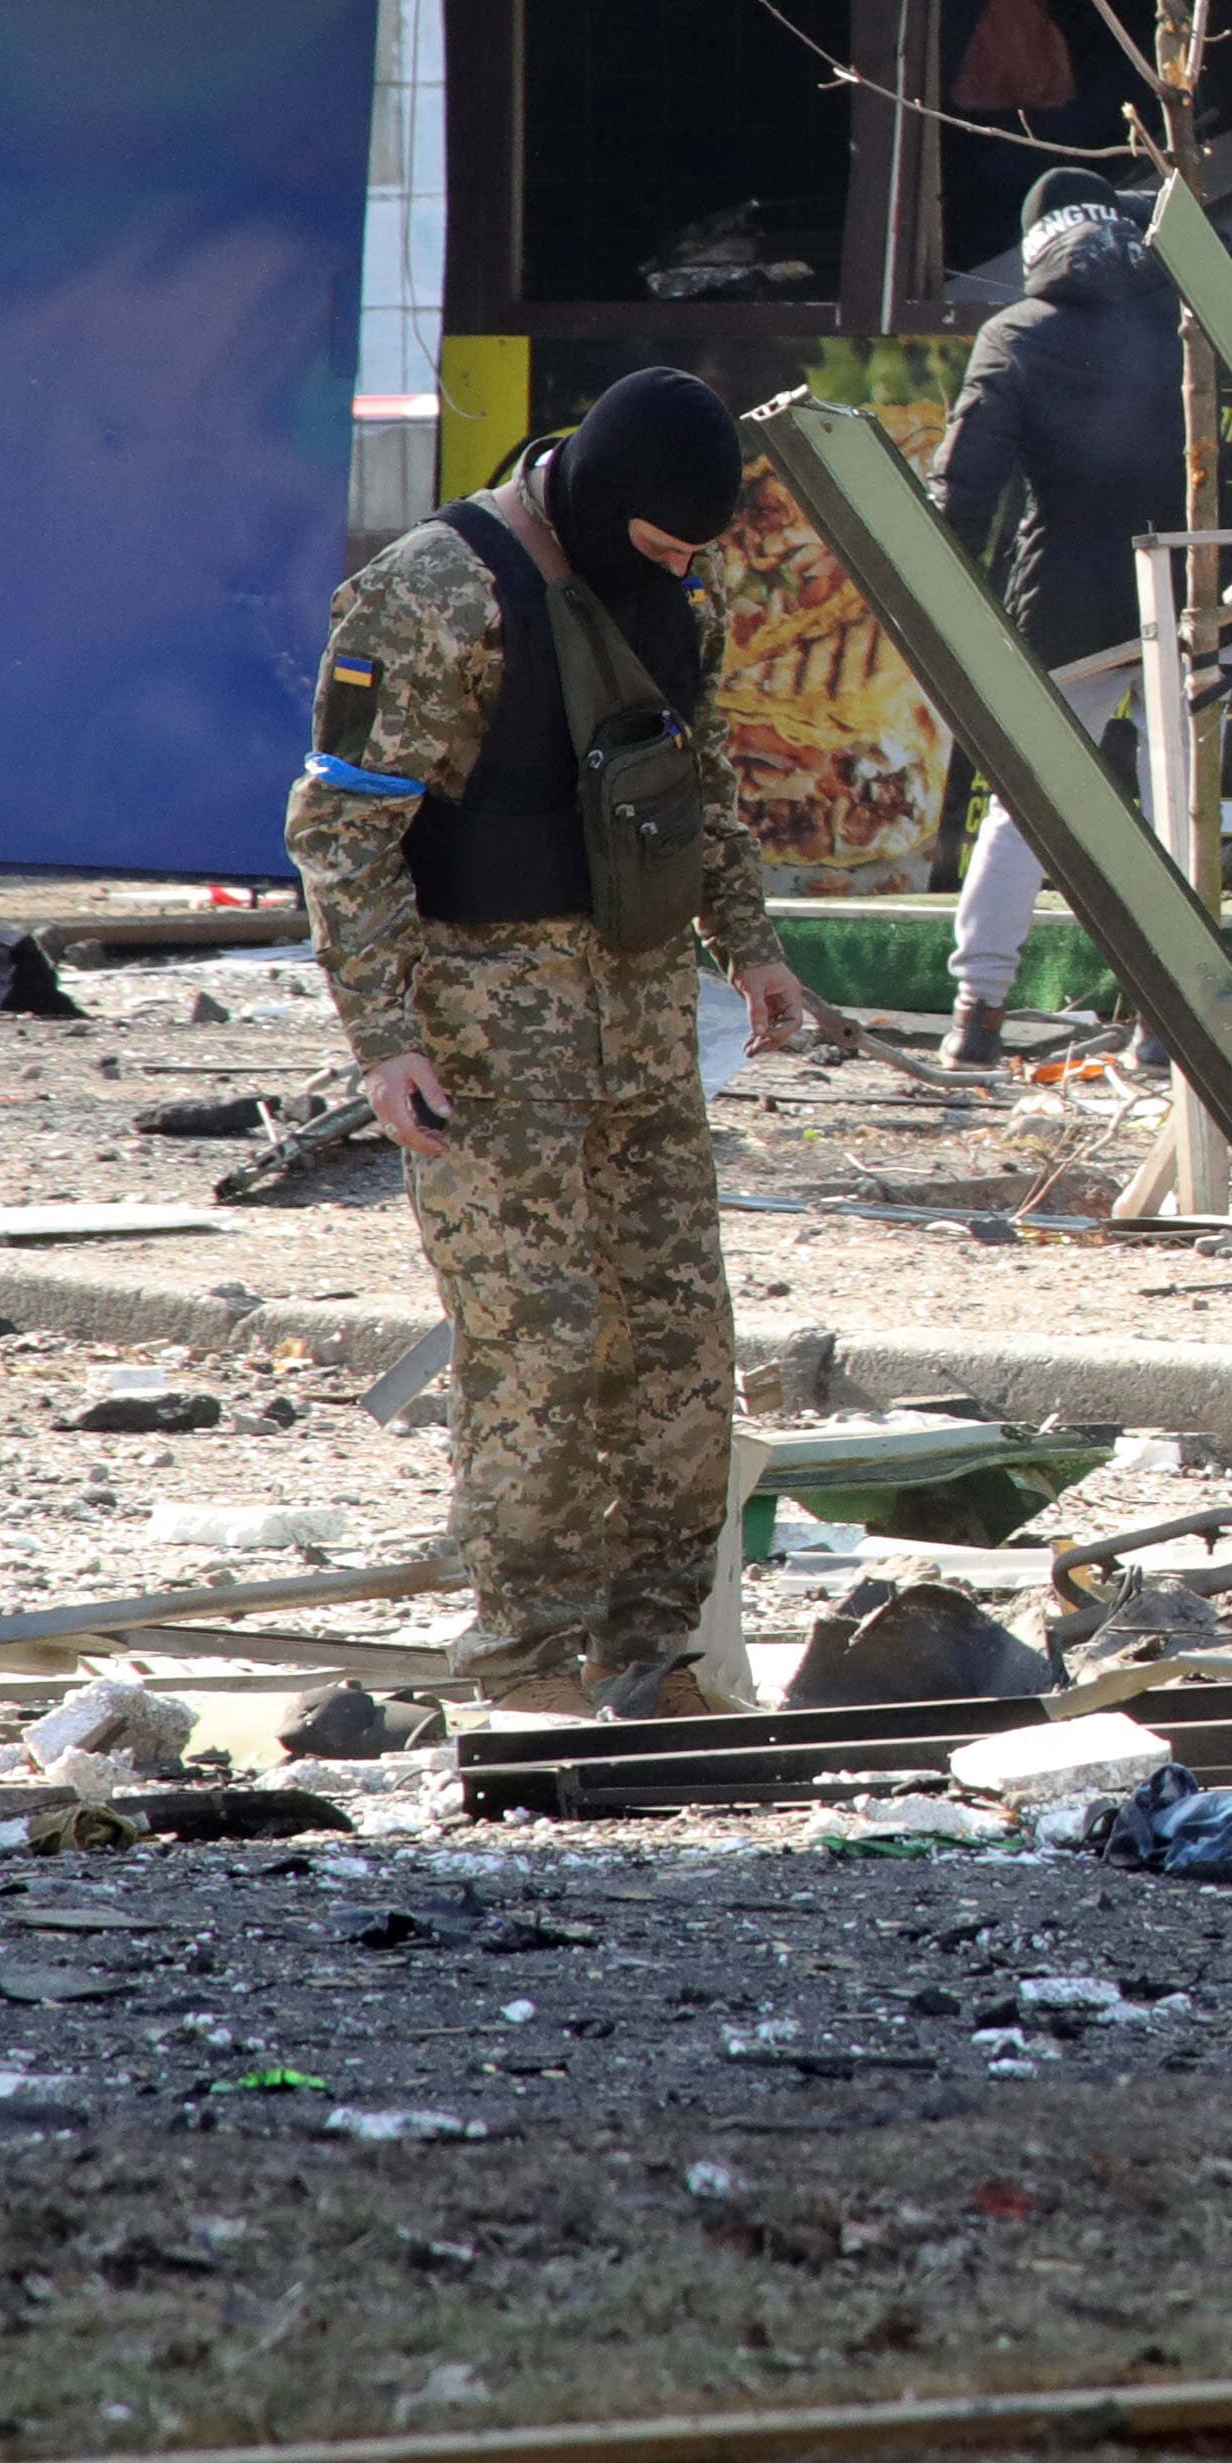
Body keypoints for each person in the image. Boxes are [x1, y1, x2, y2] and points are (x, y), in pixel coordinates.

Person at [284, 368, 826, 1716]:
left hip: (642, 1033)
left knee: (679, 1354)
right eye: (661, 546)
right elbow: (345, 830)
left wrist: (749, 944)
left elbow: (691, 782)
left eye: (698, 552)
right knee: (543, 1357)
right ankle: (525, 1670)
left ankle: (653, 1661)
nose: (682, 571)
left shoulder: (673, 587)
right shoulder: (435, 589)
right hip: (486, 1043)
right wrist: (386, 1039)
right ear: (598, 497)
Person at [929, 164, 1187, 1067]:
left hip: (1063, 606)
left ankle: (978, 1014)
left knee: (1024, 810)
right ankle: (1168, 1023)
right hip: (1192, 594)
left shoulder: (1016, 335)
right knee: (1176, 809)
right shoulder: (1181, 320)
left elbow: (963, 494)